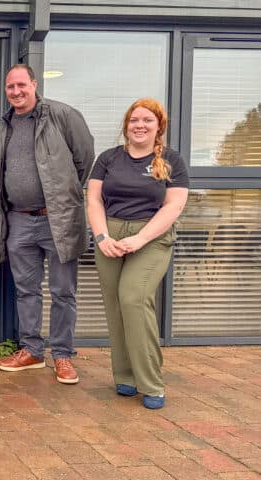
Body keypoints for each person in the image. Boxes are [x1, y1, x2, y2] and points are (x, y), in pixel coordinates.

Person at [0, 64, 95, 384]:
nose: (16, 92)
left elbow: (84, 159)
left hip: (58, 219)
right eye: (10, 87)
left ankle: (63, 355)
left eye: (21, 85)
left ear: (34, 84)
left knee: (63, 290)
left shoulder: (62, 116)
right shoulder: (3, 125)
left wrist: (61, 199)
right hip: (19, 221)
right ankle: (32, 350)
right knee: (26, 290)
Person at [87, 98, 188, 409]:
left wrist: (141, 238)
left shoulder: (171, 160)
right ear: (126, 126)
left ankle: (151, 382)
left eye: (147, 120)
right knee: (115, 305)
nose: (140, 125)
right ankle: (125, 376)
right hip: (110, 236)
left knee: (133, 297)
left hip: (152, 236)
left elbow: (174, 206)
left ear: (158, 126)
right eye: (134, 120)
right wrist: (101, 236)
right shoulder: (108, 158)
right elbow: (93, 201)